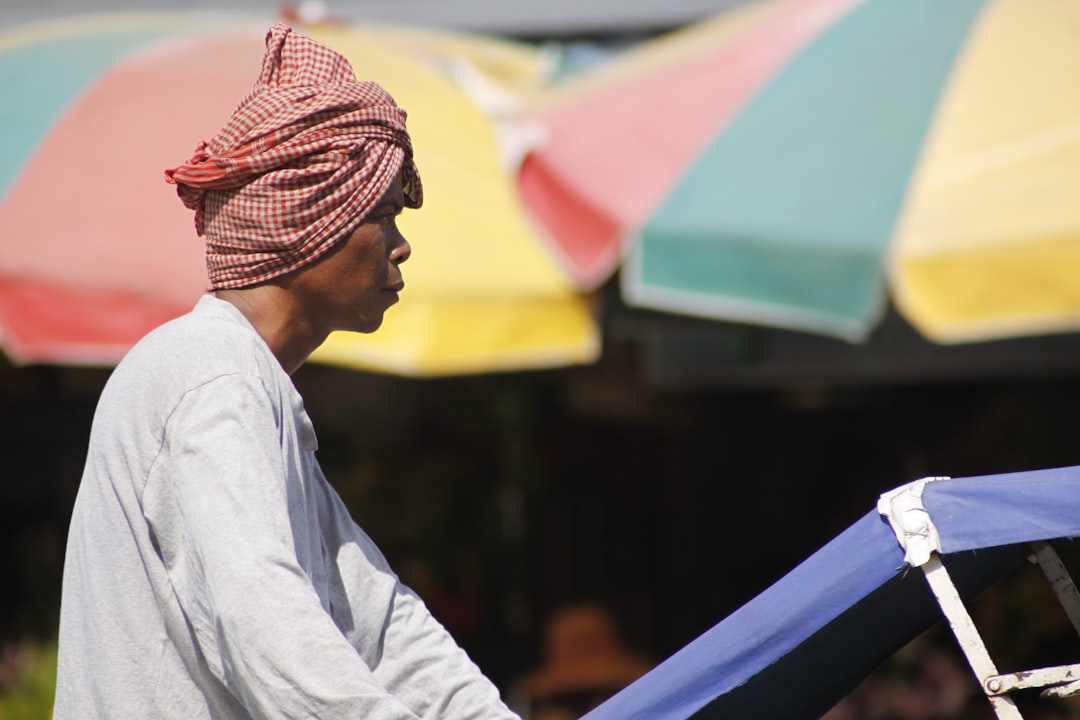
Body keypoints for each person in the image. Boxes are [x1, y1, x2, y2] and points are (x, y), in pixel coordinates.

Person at [53, 23, 520, 720]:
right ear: (313, 218)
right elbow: (266, 624)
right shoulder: (212, 379)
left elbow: (384, 629)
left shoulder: (247, 384)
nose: (401, 246)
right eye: (385, 214)